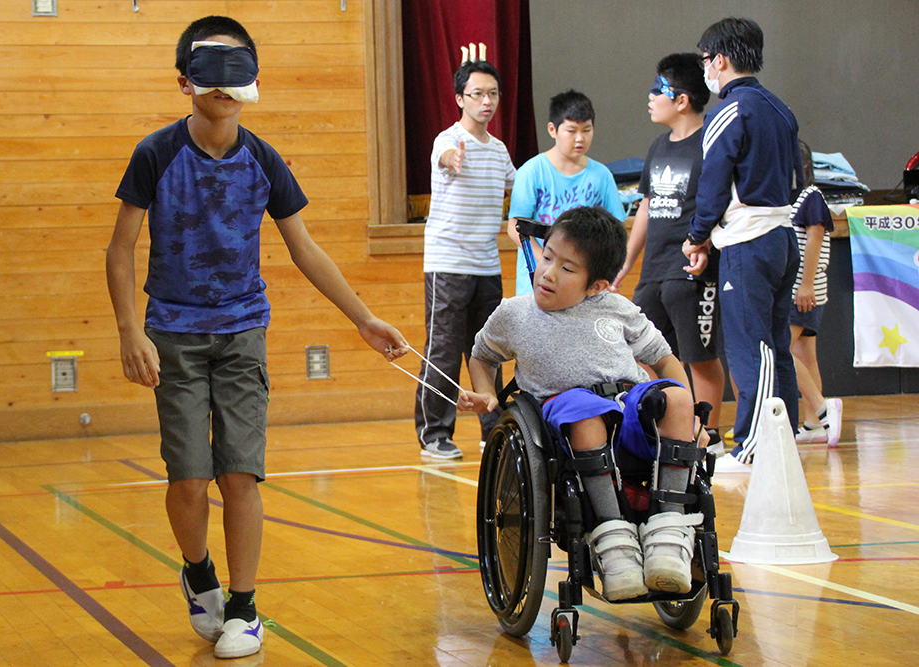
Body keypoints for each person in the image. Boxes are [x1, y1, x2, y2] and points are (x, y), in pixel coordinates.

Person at [105, 16, 407, 659]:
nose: (221, 82)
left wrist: (364, 317)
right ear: (184, 80)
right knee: (188, 480)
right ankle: (199, 572)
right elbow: (122, 247)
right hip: (174, 336)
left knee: (240, 474)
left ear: (253, 81)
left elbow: (306, 249)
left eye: (235, 67)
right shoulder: (156, 153)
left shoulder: (264, 159)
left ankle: (243, 607)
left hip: (243, 334)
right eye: (208, 68)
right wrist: (131, 329)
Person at [460, 207, 708, 601]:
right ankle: (615, 541)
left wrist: (694, 416)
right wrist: (487, 394)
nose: (548, 273)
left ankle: (667, 531)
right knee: (585, 409)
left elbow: (663, 359)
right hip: (567, 414)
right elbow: (481, 355)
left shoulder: (618, 308)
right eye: (547, 257)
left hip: (628, 405)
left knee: (676, 398)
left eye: (568, 268)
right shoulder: (515, 314)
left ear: (597, 286)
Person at [682, 17, 803, 471]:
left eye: (706, 60)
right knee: (775, 346)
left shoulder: (730, 110)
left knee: (751, 348)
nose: (705, 70)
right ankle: (782, 440)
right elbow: (798, 179)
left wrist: (697, 237)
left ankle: (751, 445)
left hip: (748, 243)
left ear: (722, 60)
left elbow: (714, 181)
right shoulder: (781, 109)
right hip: (781, 237)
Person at [612, 53, 725, 450]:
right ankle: (669, 430)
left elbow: (723, 202)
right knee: (644, 353)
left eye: (657, 89)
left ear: (681, 100)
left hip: (693, 272)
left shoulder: (711, 143)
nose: (649, 97)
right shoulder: (659, 146)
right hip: (654, 271)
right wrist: (624, 263)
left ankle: (707, 437)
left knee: (699, 357)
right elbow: (645, 205)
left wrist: (706, 244)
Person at [414, 59, 516, 460]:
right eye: (477, 94)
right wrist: (452, 161)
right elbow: (444, 159)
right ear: (460, 98)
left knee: (488, 350)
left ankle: (495, 429)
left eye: (492, 94)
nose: (486, 101)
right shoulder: (448, 140)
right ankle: (434, 435)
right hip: (448, 264)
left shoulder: (500, 149)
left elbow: (518, 184)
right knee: (443, 349)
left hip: (487, 265)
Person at [507, 90, 627, 297]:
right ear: (552, 130)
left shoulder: (602, 175)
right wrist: (546, 262)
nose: (580, 138)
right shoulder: (532, 171)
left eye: (587, 130)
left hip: (584, 288)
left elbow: (617, 231)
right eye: (571, 131)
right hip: (538, 285)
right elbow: (515, 227)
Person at [788, 140, 842, 446]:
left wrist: (806, 284)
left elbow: (815, 239)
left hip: (803, 289)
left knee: (781, 346)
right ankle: (814, 425)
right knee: (805, 355)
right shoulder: (784, 197)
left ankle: (823, 410)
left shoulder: (811, 197)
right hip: (798, 289)